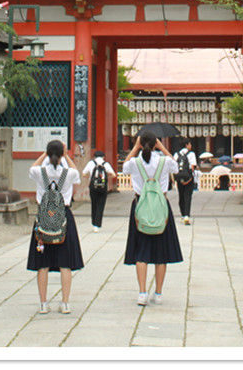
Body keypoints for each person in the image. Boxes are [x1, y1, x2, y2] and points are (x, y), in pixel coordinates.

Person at [122, 131, 184, 305]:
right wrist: (162, 147)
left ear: (140, 143)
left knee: (141, 251)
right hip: (160, 206)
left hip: (140, 206)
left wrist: (135, 148)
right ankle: (158, 293)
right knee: (161, 253)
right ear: (156, 143)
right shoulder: (164, 162)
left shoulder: (135, 162)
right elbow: (175, 166)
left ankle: (142, 292)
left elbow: (124, 167)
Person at [27, 140, 84, 315]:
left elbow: (32, 168)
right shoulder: (68, 173)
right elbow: (77, 174)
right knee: (65, 264)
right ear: (61, 155)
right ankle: (65, 302)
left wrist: (44, 154)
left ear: (48, 153)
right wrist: (66, 156)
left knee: (43, 264)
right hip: (63, 216)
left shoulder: (40, 172)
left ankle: (43, 303)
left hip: (44, 217)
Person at [81, 149, 117, 232]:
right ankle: (97, 224)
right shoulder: (106, 164)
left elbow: (83, 173)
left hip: (93, 187)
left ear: (94, 157)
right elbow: (113, 175)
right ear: (103, 157)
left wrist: (90, 178)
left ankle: (94, 223)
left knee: (94, 204)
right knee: (101, 205)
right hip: (103, 188)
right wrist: (106, 178)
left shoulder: (91, 163)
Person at [174, 139, 198, 225]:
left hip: (179, 178)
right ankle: (187, 215)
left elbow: (174, 166)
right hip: (188, 179)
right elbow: (192, 166)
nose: (190, 146)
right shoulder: (191, 154)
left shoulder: (176, 154)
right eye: (190, 144)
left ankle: (183, 214)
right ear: (187, 144)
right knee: (187, 196)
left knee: (181, 196)